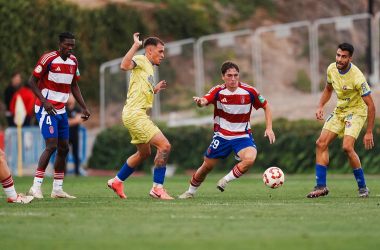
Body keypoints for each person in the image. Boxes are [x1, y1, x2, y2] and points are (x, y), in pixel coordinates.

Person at [179, 61, 275, 199]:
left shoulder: (249, 91)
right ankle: (190, 192)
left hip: (243, 137)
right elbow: (205, 100)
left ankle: (225, 180)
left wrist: (269, 128)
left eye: (236, 75)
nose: (233, 79)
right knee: (206, 167)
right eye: (229, 75)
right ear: (223, 76)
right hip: (222, 137)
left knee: (250, 159)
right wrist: (200, 103)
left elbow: (267, 106)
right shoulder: (218, 91)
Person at [107, 32, 173, 200]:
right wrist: (136, 45)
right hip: (135, 115)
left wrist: (153, 89)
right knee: (164, 146)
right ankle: (157, 189)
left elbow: (140, 88)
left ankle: (117, 181)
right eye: (160, 51)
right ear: (149, 51)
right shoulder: (143, 59)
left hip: (134, 114)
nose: (163, 55)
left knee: (144, 153)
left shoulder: (148, 67)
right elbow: (124, 65)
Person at [307, 43, 375, 199]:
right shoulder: (332, 69)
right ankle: (321, 187)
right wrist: (320, 106)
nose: (339, 59)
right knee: (320, 143)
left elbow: (371, 105)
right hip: (340, 111)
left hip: (356, 112)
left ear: (350, 58)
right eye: (338, 55)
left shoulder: (357, 77)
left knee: (347, 148)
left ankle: (362, 187)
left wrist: (369, 132)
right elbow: (328, 89)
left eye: (343, 57)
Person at [28, 31, 90, 199]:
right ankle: (35, 187)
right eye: (67, 45)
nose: (70, 48)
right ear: (60, 45)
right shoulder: (48, 59)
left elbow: (74, 86)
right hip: (45, 108)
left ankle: (57, 189)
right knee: (52, 146)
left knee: (64, 148)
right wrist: (44, 101)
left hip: (61, 110)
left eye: (72, 46)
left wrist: (83, 107)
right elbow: (32, 81)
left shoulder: (74, 61)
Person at [66, 94, 82, 176]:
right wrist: (73, 120)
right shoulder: (64, 110)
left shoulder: (78, 110)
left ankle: (77, 172)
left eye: (72, 98)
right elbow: (62, 121)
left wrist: (68, 122)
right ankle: (63, 172)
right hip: (65, 135)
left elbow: (79, 120)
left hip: (74, 135)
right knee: (64, 153)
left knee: (75, 153)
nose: (70, 99)